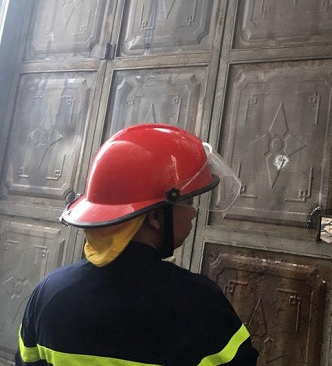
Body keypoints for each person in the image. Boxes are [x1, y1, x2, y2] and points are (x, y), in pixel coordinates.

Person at [15, 124, 259, 366]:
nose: (194, 213)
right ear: (155, 217)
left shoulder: (48, 293)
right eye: (189, 202)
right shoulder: (199, 303)